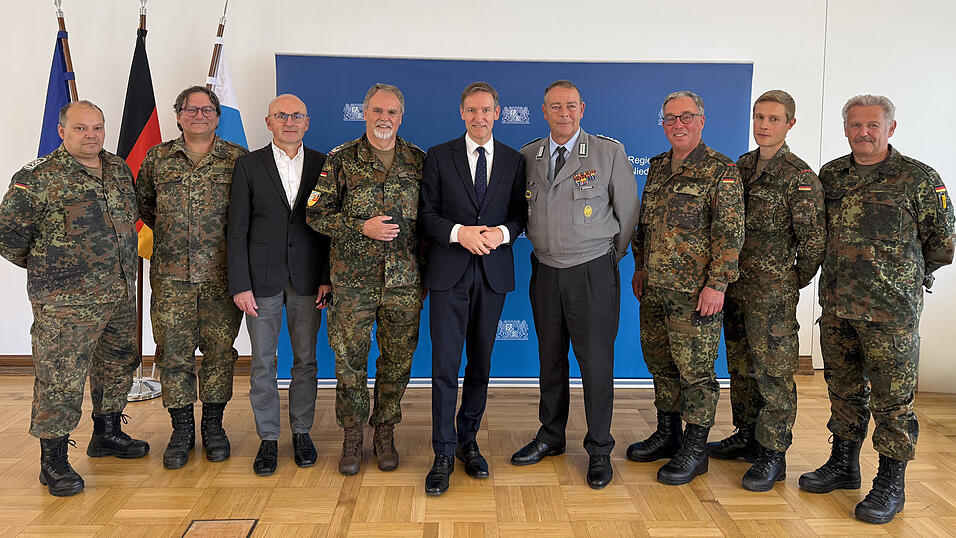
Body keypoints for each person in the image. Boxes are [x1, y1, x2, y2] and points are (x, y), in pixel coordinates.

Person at [799, 94, 954, 524]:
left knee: (893, 402)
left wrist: (902, 278)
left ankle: (890, 482)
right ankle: (843, 464)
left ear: (890, 128)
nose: (863, 133)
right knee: (843, 391)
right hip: (837, 306)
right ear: (845, 129)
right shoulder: (831, 175)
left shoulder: (919, 179)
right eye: (855, 125)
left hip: (891, 314)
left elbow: (942, 244)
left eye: (872, 125)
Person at [0, 101, 149, 496]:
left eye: (97, 127)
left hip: (119, 291)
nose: (91, 135)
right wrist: (53, 270)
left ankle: (107, 432)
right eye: (81, 128)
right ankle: (53, 461)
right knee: (61, 378)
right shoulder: (38, 178)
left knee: (118, 362)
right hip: (65, 302)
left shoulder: (117, 168)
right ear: (61, 131)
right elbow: (8, 236)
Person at [512, 80, 639, 490]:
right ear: (544, 111)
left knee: (596, 364)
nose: (563, 113)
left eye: (570, 106)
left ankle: (599, 448)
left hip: (592, 271)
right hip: (546, 271)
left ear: (582, 109)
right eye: (555, 106)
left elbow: (628, 214)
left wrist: (607, 257)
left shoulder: (608, 153)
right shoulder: (528, 155)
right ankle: (551, 435)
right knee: (550, 359)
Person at [705, 90, 825, 491]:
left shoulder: (800, 177)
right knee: (740, 367)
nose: (764, 125)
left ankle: (773, 452)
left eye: (774, 119)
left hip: (772, 294)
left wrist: (788, 281)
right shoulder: (740, 167)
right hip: (734, 287)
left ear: (790, 124)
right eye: (759, 117)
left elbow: (813, 244)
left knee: (774, 373)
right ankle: (747, 435)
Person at [306, 83, 425, 476]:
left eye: (391, 112)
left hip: (404, 283)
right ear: (364, 114)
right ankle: (353, 435)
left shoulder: (418, 161)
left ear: (401, 117)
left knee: (398, 361)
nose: (383, 118)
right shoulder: (341, 159)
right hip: (352, 284)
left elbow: (430, 223)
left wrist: (426, 275)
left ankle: (385, 432)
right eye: (377, 110)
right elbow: (315, 214)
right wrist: (361, 226)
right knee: (349, 363)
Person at [628, 90, 745, 486]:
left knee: (696, 372)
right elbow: (646, 224)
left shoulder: (720, 170)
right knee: (661, 364)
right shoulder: (658, 166)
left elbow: (730, 234)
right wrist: (640, 267)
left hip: (695, 295)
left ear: (701, 120)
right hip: (655, 288)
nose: (677, 124)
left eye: (686, 117)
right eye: (670, 118)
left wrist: (717, 284)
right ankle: (668, 433)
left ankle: (695, 449)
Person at [419, 82, 527, 495]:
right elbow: (426, 214)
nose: (479, 117)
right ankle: (443, 452)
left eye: (486, 110)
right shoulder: (438, 155)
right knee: (445, 367)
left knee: (480, 364)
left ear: (497, 113)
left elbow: (520, 215)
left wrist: (501, 234)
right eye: (471, 110)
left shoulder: (515, 160)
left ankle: (468, 441)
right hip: (449, 273)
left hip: (493, 275)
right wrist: (458, 233)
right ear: (461, 113)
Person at [136, 85, 247, 470]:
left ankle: (214, 427)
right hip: (171, 280)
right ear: (178, 115)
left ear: (217, 116)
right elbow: (146, 206)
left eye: (207, 109)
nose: (199, 115)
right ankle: (181, 430)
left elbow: (247, 214)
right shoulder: (158, 158)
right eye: (191, 109)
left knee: (220, 354)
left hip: (221, 278)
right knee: (173, 355)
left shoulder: (237, 159)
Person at [227, 94, 331, 476]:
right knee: (262, 363)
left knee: (306, 361)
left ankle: (302, 433)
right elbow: (236, 229)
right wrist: (240, 284)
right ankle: (268, 438)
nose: (289, 122)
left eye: (297, 116)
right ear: (268, 122)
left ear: (307, 122)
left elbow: (328, 228)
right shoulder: (248, 165)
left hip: (308, 279)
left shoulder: (323, 164)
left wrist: (326, 277)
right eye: (281, 116)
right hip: (261, 281)